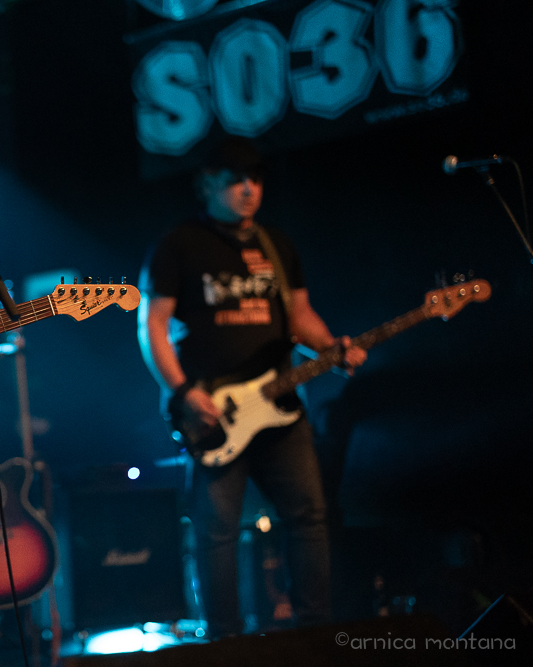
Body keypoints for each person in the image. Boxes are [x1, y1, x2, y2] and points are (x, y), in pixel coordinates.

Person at [137, 137, 366, 639]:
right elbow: (152, 326)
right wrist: (181, 392)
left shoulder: (276, 245)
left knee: (309, 516)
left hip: (282, 407)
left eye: (255, 179)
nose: (248, 189)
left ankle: (316, 633)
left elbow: (299, 316)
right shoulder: (179, 245)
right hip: (213, 412)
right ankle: (223, 641)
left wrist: (332, 348)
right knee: (216, 532)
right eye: (235, 180)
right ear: (207, 184)